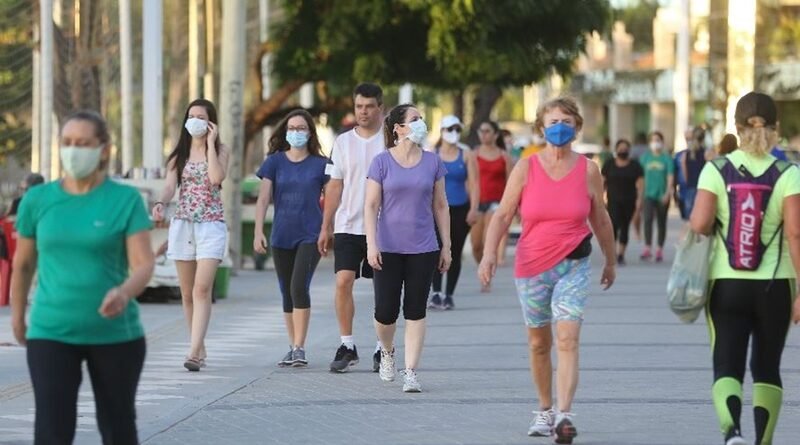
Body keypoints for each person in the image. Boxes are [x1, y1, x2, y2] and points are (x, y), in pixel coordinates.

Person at [10, 110, 155, 444]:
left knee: (118, 426)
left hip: (116, 335)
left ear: (103, 149)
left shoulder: (124, 200)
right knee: (52, 429)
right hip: (51, 330)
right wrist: (18, 316)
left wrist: (124, 293)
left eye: (83, 143)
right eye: (67, 143)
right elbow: (23, 264)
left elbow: (143, 264)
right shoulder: (38, 200)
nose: (73, 150)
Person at [478, 97, 615, 443]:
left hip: (574, 265)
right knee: (539, 343)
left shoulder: (588, 170)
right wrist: (488, 255)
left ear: (577, 127)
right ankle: (544, 409)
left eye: (567, 121)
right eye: (553, 121)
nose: (559, 128)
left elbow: (600, 217)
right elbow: (504, 214)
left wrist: (610, 259)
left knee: (567, 339)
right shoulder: (526, 168)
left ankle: (565, 416)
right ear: (541, 127)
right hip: (532, 267)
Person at [689, 91, 800, 445]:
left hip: (726, 284)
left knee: (727, 364)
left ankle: (731, 432)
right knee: (767, 367)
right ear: (774, 128)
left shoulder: (716, 169)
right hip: (776, 285)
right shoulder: (788, 173)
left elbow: (699, 223)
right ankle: (762, 442)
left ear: (736, 128)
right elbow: (796, 234)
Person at [364, 103, 451, 393]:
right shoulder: (381, 162)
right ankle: (387, 352)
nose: (421, 124)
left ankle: (411, 371)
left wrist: (446, 245)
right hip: (387, 247)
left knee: (415, 309)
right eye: (414, 120)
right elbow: (371, 205)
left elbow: (440, 205)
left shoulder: (433, 162)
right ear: (399, 128)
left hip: (423, 247)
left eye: (422, 119)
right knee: (385, 312)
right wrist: (371, 244)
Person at [152, 99, 230, 372]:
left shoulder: (221, 151)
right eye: (192, 116)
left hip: (211, 224)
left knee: (202, 289)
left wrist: (210, 144)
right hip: (183, 224)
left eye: (201, 116)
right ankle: (198, 344)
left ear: (211, 122)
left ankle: (194, 352)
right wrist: (160, 202)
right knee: (186, 292)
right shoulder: (178, 156)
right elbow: (169, 187)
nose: (195, 120)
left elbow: (216, 178)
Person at [253, 109, 330, 368]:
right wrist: (257, 231)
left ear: (310, 132)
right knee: (286, 292)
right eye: (292, 128)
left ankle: (300, 347)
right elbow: (264, 198)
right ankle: (292, 345)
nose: (296, 132)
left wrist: (327, 230)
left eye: (301, 128)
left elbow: (331, 199)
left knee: (299, 287)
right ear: (286, 132)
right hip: (281, 234)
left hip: (310, 234)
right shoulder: (274, 162)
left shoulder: (321, 164)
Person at [318, 83, 386, 373]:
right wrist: (326, 226)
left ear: (380, 108)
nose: (364, 111)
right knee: (343, 281)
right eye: (359, 106)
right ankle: (347, 345)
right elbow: (334, 185)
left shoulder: (391, 141)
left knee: (383, 288)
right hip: (348, 225)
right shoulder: (343, 142)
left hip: (384, 227)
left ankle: (383, 347)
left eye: (369, 106)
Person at [429, 115, 479, 310]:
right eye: (450, 129)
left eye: (457, 129)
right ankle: (436, 293)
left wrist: (474, 209)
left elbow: (474, 184)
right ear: (441, 132)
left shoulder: (466, 155)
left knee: (454, 252)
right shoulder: (432, 154)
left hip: (460, 209)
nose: (454, 134)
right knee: (436, 250)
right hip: (436, 210)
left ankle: (448, 294)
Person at [471, 121, 513, 280]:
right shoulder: (474, 154)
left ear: (495, 135)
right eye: (481, 131)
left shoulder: (504, 156)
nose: (483, 134)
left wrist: (511, 204)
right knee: (476, 245)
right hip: (477, 202)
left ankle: (488, 272)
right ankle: (483, 268)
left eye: (487, 131)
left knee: (486, 238)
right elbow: (470, 180)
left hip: (497, 202)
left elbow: (511, 181)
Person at [601, 139, 643, 266]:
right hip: (612, 201)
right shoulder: (609, 164)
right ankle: (611, 253)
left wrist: (639, 201)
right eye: (621, 148)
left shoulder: (635, 165)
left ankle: (621, 254)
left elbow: (641, 185)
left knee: (624, 227)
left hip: (629, 201)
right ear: (616, 149)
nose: (623, 151)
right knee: (612, 226)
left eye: (625, 148)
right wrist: (600, 198)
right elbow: (602, 182)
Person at [638, 130, 674, 262]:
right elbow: (640, 178)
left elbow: (670, 176)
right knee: (647, 220)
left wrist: (667, 193)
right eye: (653, 140)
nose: (655, 143)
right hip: (648, 195)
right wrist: (639, 195)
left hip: (662, 195)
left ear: (662, 143)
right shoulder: (645, 158)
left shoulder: (666, 158)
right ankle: (647, 247)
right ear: (649, 143)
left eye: (658, 140)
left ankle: (659, 249)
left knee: (661, 222)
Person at [675, 127, 708, 220]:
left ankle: (689, 234)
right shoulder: (705, 152)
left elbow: (684, 168)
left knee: (689, 219)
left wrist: (687, 181)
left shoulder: (687, 153)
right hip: (702, 187)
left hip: (690, 187)